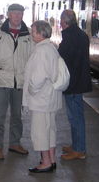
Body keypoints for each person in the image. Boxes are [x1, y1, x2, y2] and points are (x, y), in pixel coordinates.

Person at [0, 3, 34, 161]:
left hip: (20, 82)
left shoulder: (29, 34)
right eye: (14, 13)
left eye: (20, 13)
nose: (17, 16)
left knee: (17, 116)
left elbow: (34, 56)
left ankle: (14, 142)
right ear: (8, 15)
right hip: (1, 81)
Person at [23, 20, 69, 173]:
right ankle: (52, 158)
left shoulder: (41, 50)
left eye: (33, 31)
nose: (31, 33)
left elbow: (38, 78)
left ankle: (46, 162)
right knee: (50, 129)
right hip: (51, 98)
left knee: (40, 131)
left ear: (40, 33)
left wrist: (31, 91)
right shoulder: (51, 47)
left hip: (41, 99)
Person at [58, 9, 92, 160]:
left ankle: (79, 150)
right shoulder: (80, 34)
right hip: (78, 80)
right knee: (75, 116)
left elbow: (64, 59)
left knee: (75, 117)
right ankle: (77, 145)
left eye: (61, 22)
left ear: (65, 22)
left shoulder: (70, 37)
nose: (60, 24)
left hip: (73, 83)